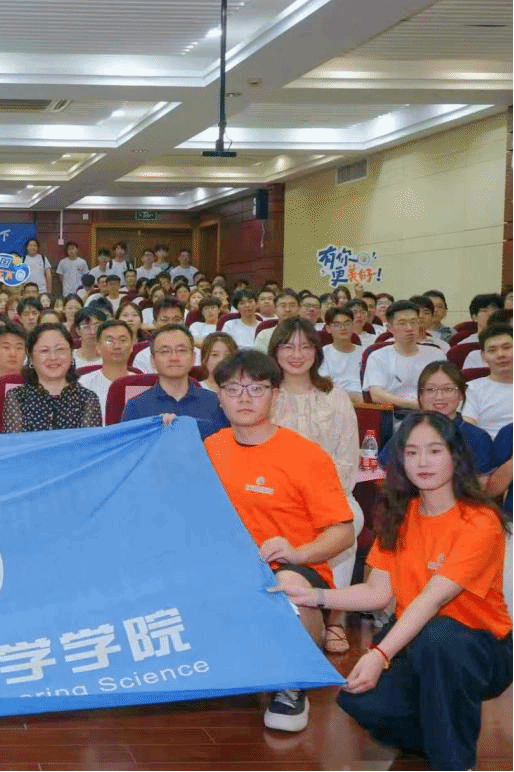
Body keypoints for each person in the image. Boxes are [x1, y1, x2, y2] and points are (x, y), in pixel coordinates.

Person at [275, 412, 512, 771]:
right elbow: (376, 593)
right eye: (412, 452)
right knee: (360, 702)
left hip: (480, 647)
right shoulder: (401, 514)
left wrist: (379, 654)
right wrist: (315, 597)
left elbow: (432, 599)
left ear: (455, 457)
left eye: (435, 451)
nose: (423, 462)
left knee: (439, 636)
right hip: (417, 638)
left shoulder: (480, 520)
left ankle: (454, 760)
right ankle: (443, 725)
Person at [203, 349, 355, 733]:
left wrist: (298, 552)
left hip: (292, 570)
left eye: (256, 388)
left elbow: (343, 532)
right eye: (233, 388)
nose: (244, 398)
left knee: (285, 586)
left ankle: (291, 683)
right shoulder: (211, 447)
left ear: (275, 395)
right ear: (219, 397)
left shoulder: (306, 456)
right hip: (230, 571)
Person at [268, 317, 363, 654]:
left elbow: (347, 458)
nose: (297, 354)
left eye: (305, 347)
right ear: (275, 351)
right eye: (288, 346)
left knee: (349, 519)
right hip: (275, 496)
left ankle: (336, 617)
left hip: (329, 494)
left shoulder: (335, 396)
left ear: (317, 352)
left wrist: (317, 499)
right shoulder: (266, 393)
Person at [377, 361, 498, 480]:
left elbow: (482, 486)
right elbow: (381, 472)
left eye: (448, 389)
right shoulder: (408, 430)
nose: (439, 397)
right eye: (430, 390)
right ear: (421, 396)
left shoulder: (477, 437)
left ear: (461, 394)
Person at [122, 323, 226, 437]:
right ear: (153, 361)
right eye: (165, 351)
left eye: (181, 350)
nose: (174, 358)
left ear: (193, 358)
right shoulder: (136, 407)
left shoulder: (217, 404)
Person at [3, 322, 100, 432]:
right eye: (44, 351)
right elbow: (15, 442)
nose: (53, 357)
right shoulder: (17, 397)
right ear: (31, 357)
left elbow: (90, 442)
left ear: (71, 354)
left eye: (60, 349)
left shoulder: (87, 399)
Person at [461, 324, 513, 438]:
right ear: (483, 356)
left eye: (506, 347)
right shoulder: (472, 390)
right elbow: (468, 432)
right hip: (491, 447)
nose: (500, 355)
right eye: (492, 350)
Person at [78, 319, 135, 422]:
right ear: (98, 347)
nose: (117, 346)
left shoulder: (140, 382)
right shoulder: (84, 384)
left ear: (131, 346)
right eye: (109, 341)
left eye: (122, 340)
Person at [320, 306, 363, 405]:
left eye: (347, 323)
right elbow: (324, 385)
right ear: (328, 328)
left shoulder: (365, 353)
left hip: (364, 402)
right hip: (334, 401)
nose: (342, 328)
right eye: (337, 324)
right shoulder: (322, 354)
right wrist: (348, 397)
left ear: (353, 325)